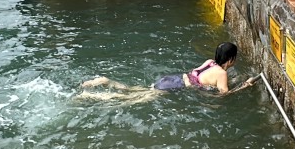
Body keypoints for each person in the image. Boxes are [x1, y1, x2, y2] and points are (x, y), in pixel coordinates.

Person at [80, 42, 258, 96]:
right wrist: (245, 85)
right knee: (134, 99)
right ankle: (98, 96)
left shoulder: (210, 61)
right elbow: (223, 95)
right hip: (176, 87)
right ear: (231, 59)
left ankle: (105, 81)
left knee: (137, 90)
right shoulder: (222, 73)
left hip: (174, 79)